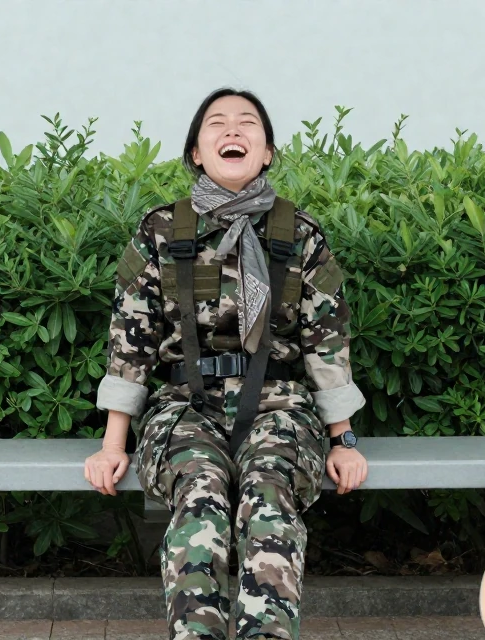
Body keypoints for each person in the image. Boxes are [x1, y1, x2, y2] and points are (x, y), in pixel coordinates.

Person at [84, 87, 368, 640]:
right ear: (196, 151)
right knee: (201, 489)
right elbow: (131, 340)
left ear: (266, 152)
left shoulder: (300, 233)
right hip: (185, 404)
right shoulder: (163, 230)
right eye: (216, 124)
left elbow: (327, 340)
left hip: (280, 406)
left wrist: (344, 440)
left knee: (269, 489)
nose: (231, 131)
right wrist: (113, 444)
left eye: (247, 124)